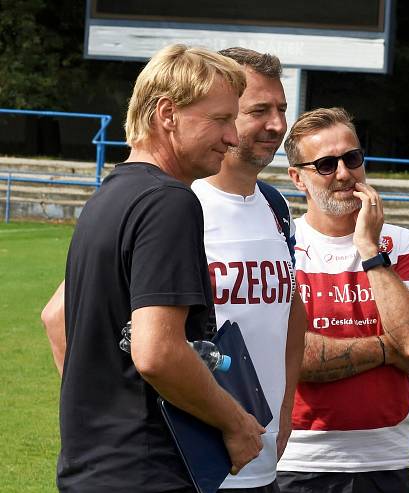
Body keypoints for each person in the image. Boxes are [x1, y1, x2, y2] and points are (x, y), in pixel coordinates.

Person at [40, 44, 266, 492]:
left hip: (93, 469)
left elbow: (54, 317)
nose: (233, 137)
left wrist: (105, 412)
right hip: (147, 472)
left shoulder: (108, 196)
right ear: (167, 113)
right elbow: (157, 352)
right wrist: (235, 422)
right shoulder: (169, 203)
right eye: (220, 119)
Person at [275, 107, 409, 493]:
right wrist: (387, 348)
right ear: (298, 177)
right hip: (298, 461)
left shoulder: (400, 244)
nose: (345, 173)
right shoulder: (280, 246)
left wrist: (368, 249)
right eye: (326, 164)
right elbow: (296, 354)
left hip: (386, 461)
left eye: (352, 158)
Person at [190, 47, 306, 493]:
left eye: (281, 109)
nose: (277, 125)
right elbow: (66, 316)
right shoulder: (180, 203)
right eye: (259, 110)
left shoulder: (276, 207)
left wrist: (286, 406)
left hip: (262, 460)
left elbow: (291, 310)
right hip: (193, 461)